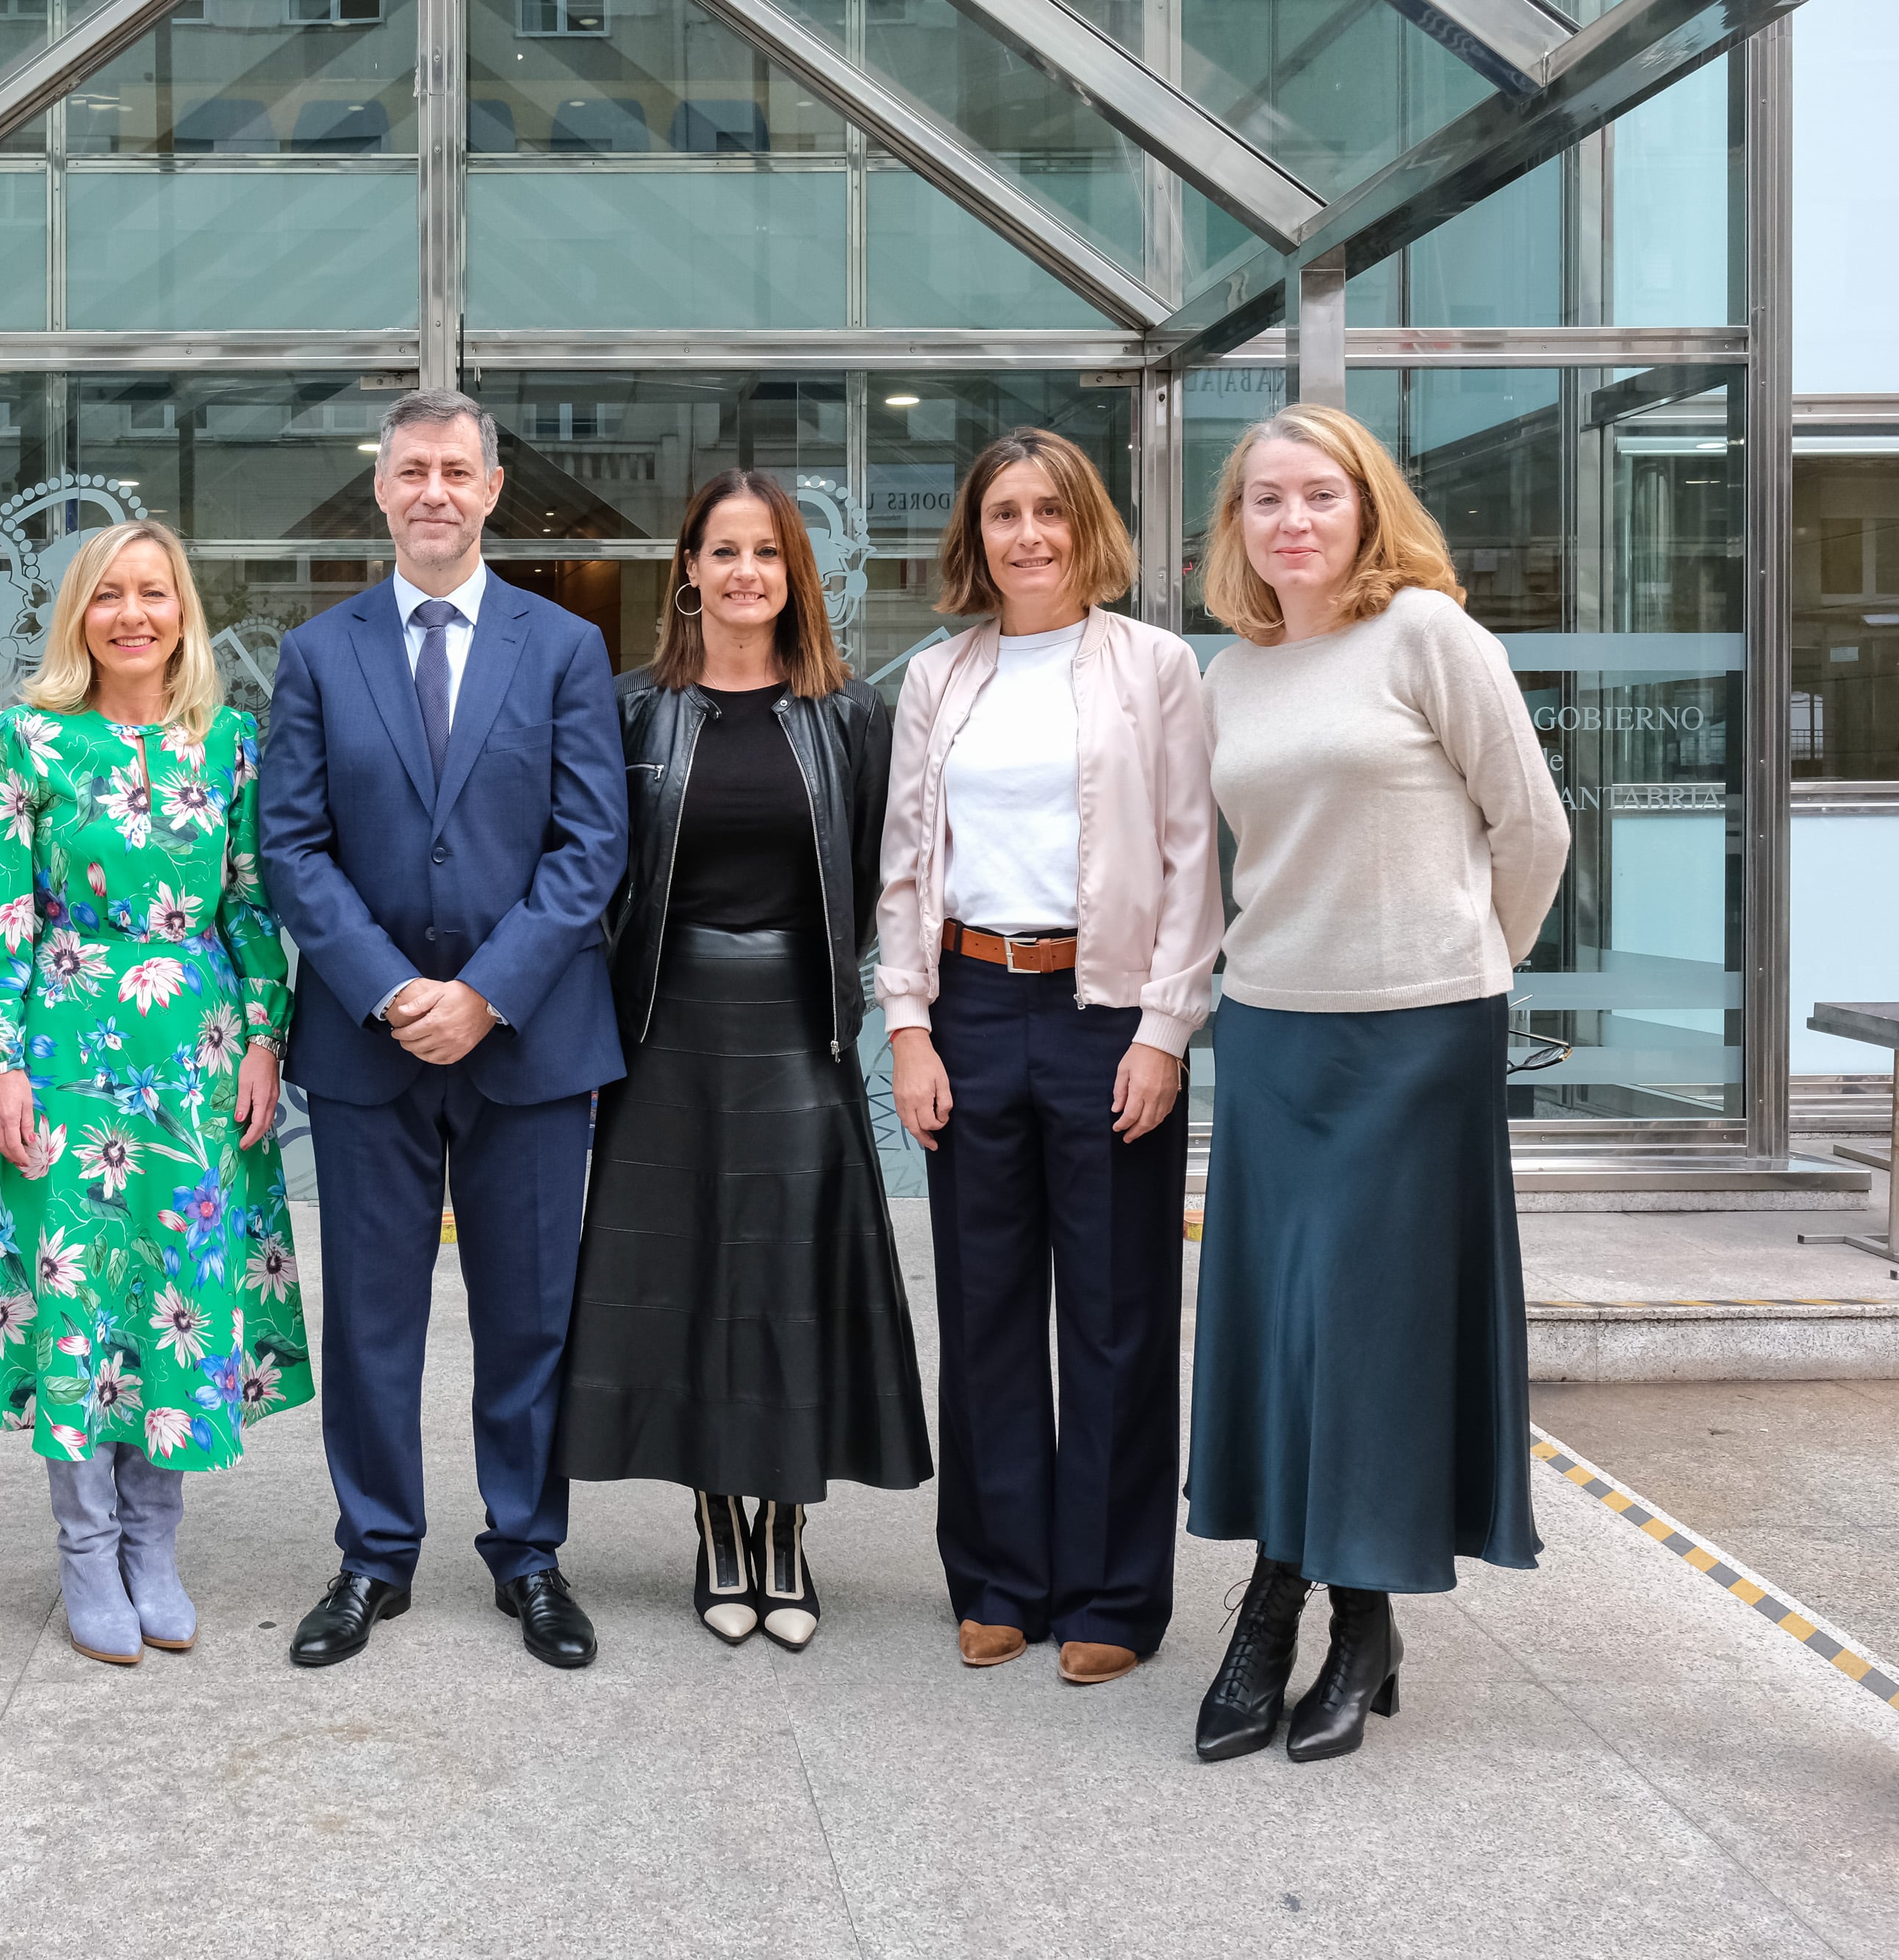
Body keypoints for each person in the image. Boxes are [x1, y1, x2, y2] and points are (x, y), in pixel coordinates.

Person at [1185, 402, 1568, 1763]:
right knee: (1285, 1328)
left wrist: (1468, 966)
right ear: (1237, 526)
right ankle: (1287, 1598)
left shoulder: (1430, 638)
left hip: (1417, 1040)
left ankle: (1342, 1617)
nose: (1291, 521)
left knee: (1373, 1340)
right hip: (1279, 1034)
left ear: (1366, 508)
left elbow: (1533, 825)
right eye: (1263, 501)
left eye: (1318, 496)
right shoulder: (1228, 677)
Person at [259, 387, 629, 1670]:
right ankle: (373, 1554)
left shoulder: (566, 646)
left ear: (489, 489)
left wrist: (487, 991)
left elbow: (594, 846)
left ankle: (529, 1554)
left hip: (529, 1041)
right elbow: (292, 849)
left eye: (454, 470)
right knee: (372, 1316)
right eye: (410, 468)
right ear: (382, 488)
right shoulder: (318, 653)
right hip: (370, 1045)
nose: (431, 490)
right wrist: (387, 989)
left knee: (529, 1315)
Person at [872, 429, 1221, 1690]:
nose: (1027, 535)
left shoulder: (1157, 668)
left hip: (1106, 1014)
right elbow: (907, 864)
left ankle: (1114, 1594)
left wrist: (1166, 1030)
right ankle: (1000, 1580)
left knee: (1121, 1316)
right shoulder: (940, 679)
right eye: (1003, 514)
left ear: (1088, 527)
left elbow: (1192, 859)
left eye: (1049, 511)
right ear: (976, 536)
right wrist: (907, 1025)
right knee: (987, 1310)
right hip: (971, 1002)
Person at [561, 468, 929, 1654]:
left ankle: (786, 1528)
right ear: (689, 571)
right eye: (723, 551)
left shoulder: (852, 715)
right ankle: (720, 1526)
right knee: (692, 1279)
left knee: (783, 1278)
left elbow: (885, 881)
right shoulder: (632, 712)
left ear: (794, 575)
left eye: (766, 553)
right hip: (663, 1027)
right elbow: (595, 878)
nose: (745, 573)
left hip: (795, 1021)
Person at [0, 519, 312, 1665]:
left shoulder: (230, 744)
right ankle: (85, 1550)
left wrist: (265, 1039)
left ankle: (155, 1546)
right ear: (80, 615)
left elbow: (251, 909)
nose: (133, 615)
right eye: (109, 596)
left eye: (154, 593)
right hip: (66, 1055)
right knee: (80, 1302)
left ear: (183, 611)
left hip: (199, 1061)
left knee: (174, 1301)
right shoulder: (23, 741)